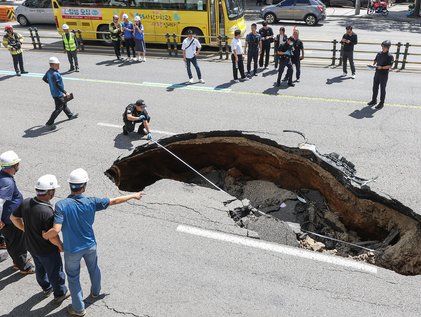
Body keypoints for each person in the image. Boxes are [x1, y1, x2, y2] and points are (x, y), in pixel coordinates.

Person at [42, 168, 144, 317]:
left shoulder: (61, 205)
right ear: (84, 186)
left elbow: (56, 230)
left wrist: (45, 236)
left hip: (72, 249)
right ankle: (95, 293)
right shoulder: (91, 202)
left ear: (70, 185)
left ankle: (78, 309)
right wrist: (134, 195)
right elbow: (114, 200)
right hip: (90, 245)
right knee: (94, 268)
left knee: (73, 278)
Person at [10, 175, 69, 303]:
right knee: (55, 272)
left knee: (40, 269)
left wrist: (25, 229)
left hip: (31, 246)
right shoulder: (47, 212)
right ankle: (60, 293)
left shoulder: (26, 202)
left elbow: (13, 218)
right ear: (50, 192)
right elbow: (52, 236)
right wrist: (60, 245)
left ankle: (46, 288)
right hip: (47, 250)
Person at [0, 151, 34, 275]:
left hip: (10, 218)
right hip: (10, 220)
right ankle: (23, 266)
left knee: (16, 241)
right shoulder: (7, 182)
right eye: (17, 164)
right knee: (16, 244)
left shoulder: (3, 176)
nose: (19, 165)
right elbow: (0, 202)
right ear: (13, 166)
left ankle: (20, 259)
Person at [43, 57, 78, 130]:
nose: (59, 66)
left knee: (64, 104)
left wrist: (51, 84)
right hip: (58, 94)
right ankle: (49, 123)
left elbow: (44, 79)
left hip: (54, 93)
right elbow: (58, 85)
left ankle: (70, 115)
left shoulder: (49, 71)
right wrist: (65, 92)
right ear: (52, 65)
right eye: (57, 64)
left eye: (58, 64)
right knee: (59, 108)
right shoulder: (55, 74)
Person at [367, 40, 394, 110]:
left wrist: (381, 67)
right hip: (377, 73)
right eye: (382, 46)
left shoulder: (390, 56)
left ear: (388, 47)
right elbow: (375, 60)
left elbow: (390, 66)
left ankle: (381, 103)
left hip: (384, 75)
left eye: (384, 47)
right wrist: (372, 65)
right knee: (375, 87)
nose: (382, 48)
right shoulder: (379, 53)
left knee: (382, 89)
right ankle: (374, 100)